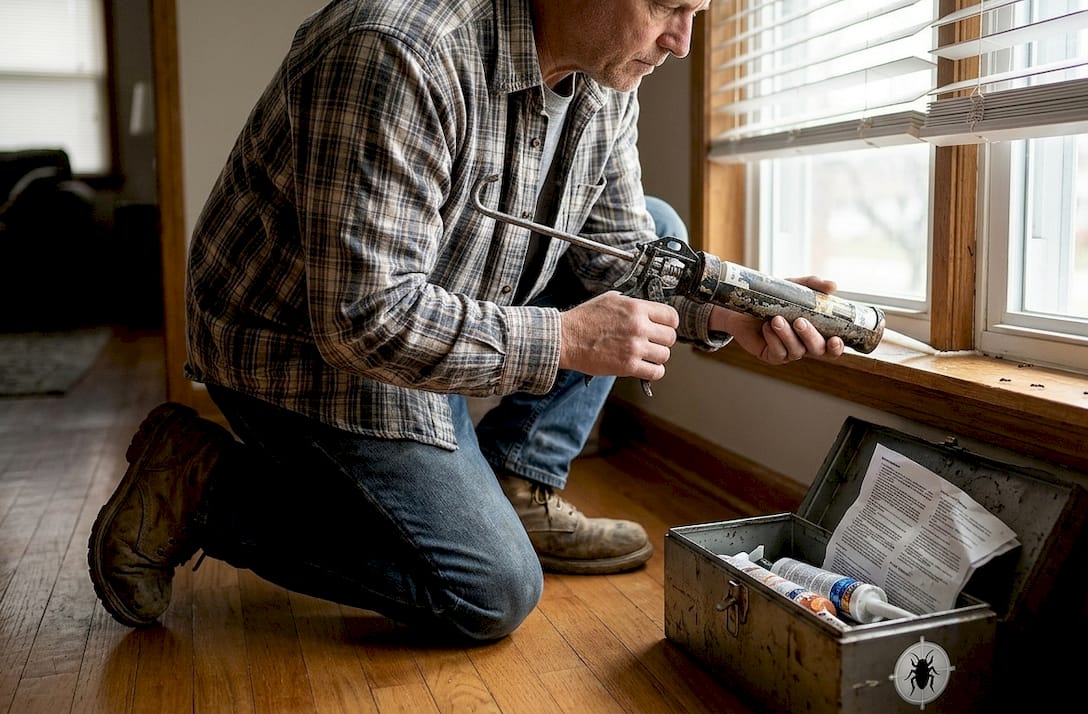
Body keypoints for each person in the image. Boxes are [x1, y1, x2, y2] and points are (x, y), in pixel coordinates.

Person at [87, 0, 846, 643]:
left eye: (696, 13)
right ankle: (203, 485)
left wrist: (731, 309)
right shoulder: (398, 51)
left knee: (656, 227)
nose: (681, 42)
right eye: (668, 7)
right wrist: (567, 339)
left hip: (438, 315)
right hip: (304, 355)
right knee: (489, 593)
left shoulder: (607, 76)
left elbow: (620, 251)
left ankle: (520, 481)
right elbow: (364, 319)